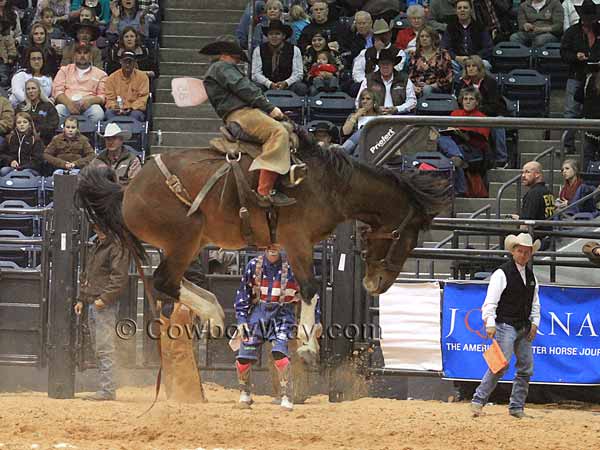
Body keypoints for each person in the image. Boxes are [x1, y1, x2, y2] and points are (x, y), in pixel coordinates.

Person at [200, 36, 295, 208]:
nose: (237, 61)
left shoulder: (218, 69)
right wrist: (269, 108)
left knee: (286, 129)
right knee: (278, 132)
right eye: (235, 57)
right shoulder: (222, 67)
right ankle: (264, 191)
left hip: (242, 114)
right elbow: (243, 87)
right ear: (225, 55)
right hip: (242, 115)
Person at [471, 233, 541, 419]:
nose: (523, 255)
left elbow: (535, 302)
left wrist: (534, 322)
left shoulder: (531, 276)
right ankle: (479, 400)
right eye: (520, 251)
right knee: (501, 365)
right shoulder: (501, 273)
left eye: (527, 252)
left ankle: (516, 407)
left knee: (525, 368)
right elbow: (490, 301)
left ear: (530, 253)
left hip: (523, 325)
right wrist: (490, 322)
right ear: (513, 251)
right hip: (506, 324)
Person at [234, 244, 302, 411]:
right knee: (244, 355)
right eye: (269, 244)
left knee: (280, 353)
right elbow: (244, 294)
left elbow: (309, 293)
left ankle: (286, 395)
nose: (273, 248)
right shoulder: (253, 265)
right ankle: (245, 393)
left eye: (276, 244)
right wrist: (242, 320)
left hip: (282, 314)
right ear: (263, 246)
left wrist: (312, 319)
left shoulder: (294, 266)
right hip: (258, 312)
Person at [74, 223, 129, 401]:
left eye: (101, 228)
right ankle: (106, 387)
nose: (99, 232)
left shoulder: (113, 247)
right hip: (96, 301)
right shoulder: (103, 245)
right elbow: (90, 274)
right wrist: (82, 298)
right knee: (101, 346)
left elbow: (119, 278)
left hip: (102, 303)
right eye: (97, 229)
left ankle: (107, 389)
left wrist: (103, 299)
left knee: (104, 346)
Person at [454, 55, 508, 166]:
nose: (471, 68)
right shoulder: (462, 83)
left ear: (480, 68)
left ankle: (501, 159)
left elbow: (496, 105)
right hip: (467, 114)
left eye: (474, 66)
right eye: (468, 66)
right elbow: (459, 103)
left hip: (490, 114)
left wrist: (478, 111)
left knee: (499, 124)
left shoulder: (490, 82)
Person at [437, 87, 491, 197]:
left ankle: (457, 159)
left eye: (471, 99)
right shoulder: (455, 113)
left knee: (453, 152)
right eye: (465, 98)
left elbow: (482, 144)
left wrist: (467, 137)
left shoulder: (482, 117)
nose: (467, 101)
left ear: (477, 102)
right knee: (441, 138)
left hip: (473, 151)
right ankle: (457, 157)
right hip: (455, 145)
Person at [560, 2, 599, 154]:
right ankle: (568, 144)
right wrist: (576, 56)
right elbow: (563, 53)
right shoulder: (571, 32)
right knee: (571, 111)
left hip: (596, 78)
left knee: (594, 112)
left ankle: (593, 144)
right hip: (577, 74)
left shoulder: (599, 31)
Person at [53, 43, 107, 124]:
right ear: (74, 55)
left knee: (98, 113)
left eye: (85, 53)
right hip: (67, 104)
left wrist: (90, 102)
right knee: (57, 111)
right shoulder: (64, 70)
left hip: (89, 106)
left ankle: (88, 135)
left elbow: (102, 96)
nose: (82, 55)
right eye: (79, 53)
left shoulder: (101, 74)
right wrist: (68, 103)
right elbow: (57, 92)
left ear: (90, 56)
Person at [251, 20, 308, 96]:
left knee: (301, 87)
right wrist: (269, 84)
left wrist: (286, 83)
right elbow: (255, 74)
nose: (274, 37)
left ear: (283, 36)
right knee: (254, 87)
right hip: (266, 86)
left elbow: (298, 74)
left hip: (288, 86)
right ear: (267, 36)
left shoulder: (295, 49)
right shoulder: (258, 50)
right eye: (271, 34)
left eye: (277, 34)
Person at [356, 47, 416, 115]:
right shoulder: (368, 80)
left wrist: (397, 109)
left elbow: (412, 101)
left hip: (399, 118)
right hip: (375, 118)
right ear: (378, 65)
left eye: (388, 63)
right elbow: (358, 101)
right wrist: (375, 109)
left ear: (393, 64)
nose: (385, 66)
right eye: (382, 63)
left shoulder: (404, 79)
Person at [441, 0, 493, 76]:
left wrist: (472, 59)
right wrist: (456, 57)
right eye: (459, 8)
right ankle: (459, 84)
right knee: (446, 64)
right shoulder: (450, 28)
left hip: (476, 61)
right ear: (456, 11)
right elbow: (445, 47)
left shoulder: (480, 27)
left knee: (486, 65)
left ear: (471, 10)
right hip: (457, 62)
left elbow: (488, 47)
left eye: (465, 8)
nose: (462, 10)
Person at [352, 18, 406, 87]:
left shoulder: (399, 53)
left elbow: (393, 71)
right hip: (366, 86)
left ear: (390, 34)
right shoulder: (365, 52)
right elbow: (357, 72)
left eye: (384, 34)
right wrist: (366, 82)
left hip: (389, 85)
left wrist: (380, 52)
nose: (381, 37)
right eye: (378, 35)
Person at [514, 161, 556, 247]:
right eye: (522, 172)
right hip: (547, 237)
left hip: (534, 240)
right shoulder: (548, 192)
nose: (523, 176)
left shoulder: (533, 193)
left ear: (537, 174)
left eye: (527, 172)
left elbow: (525, 225)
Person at [408, 25, 453, 97]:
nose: (424, 39)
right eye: (422, 36)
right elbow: (410, 76)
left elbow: (449, 77)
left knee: (426, 89)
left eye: (427, 36)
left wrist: (435, 85)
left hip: (438, 89)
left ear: (433, 38)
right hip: (417, 88)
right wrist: (414, 87)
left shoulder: (443, 54)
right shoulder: (415, 55)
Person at [104, 50, 149, 121]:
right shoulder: (112, 78)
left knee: (136, 115)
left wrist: (131, 107)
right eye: (125, 62)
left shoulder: (143, 77)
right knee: (109, 113)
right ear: (120, 62)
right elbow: (109, 99)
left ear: (134, 63)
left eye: (130, 62)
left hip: (134, 110)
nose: (127, 65)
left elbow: (143, 98)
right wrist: (114, 106)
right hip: (116, 110)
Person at [16, 78, 59, 146]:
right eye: (28, 89)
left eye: (33, 88)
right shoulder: (21, 107)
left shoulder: (48, 106)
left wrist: (39, 132)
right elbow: (15, 124)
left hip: (44, 140)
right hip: (23, 140)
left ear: (39, 90)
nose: (31, 91)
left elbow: (53, 124)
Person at [0, 112, 43, 176]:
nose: (22, 124)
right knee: (4, 170)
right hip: (13, 168)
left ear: (30, 124)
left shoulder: (35, 139)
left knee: (25, 173)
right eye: (19, 122)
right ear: (15, 125)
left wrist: (22, 167)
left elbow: (38, 160)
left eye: (25, 122)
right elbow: (2, 153)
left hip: (30, 169)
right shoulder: (9, 138)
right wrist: (11, 161)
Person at [342, 88, 381, 156]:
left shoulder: (380, 117)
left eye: (368, 99)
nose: (364, 101)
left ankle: (342, 152)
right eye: (362, 99)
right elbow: (345, 132)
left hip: (376, 147)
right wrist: (355, 116)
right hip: (357, 149)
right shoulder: (353, 116)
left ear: (374, 102)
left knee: (364, 130)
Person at [0, 11, 16, 88]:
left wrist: (11, 57)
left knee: (3, 74)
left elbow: (11, 48)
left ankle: (4, 87)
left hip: (3, 60)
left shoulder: (7, 37)